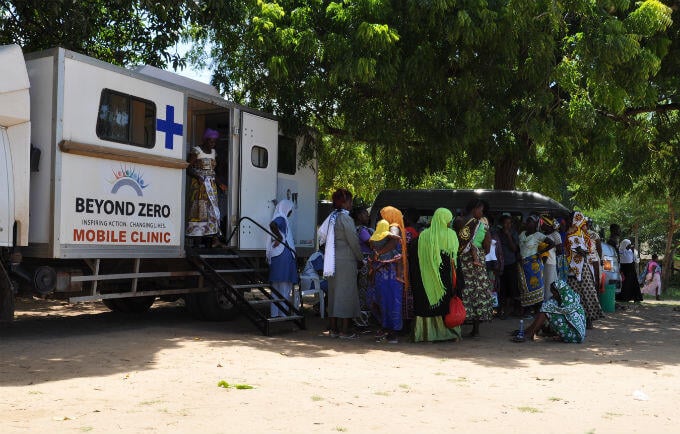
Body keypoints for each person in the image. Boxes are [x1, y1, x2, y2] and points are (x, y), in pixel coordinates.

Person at [410, 208, 462, 342]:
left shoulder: (423, 236)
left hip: (426, 280)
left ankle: (427, 335)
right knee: (444, 304)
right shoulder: (451, 235)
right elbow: (454, 260)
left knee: (427, 304)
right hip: (445, 278)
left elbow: (415, 259)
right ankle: (449, 334)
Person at [318, 189, 364, 339]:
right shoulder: (345, 219)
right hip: (346, 261)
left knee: (333, 294)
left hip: (332, 261)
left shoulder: (332, 217)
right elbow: (353, 241)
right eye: (349, 201)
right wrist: (360, 258)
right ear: (344, 202)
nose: (351, 204)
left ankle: (333, 329)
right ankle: (344, 330)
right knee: (346, 294)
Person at [454, 199, 495, 337]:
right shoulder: (482, 226)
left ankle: (458, 327)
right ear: (475, 208)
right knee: (477, 293)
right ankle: (475, 330)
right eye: (481, 210)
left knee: (462, 290)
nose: (482, 212)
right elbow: (488, 247)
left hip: (462, 260)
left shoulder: (458, 221)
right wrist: (477, 254)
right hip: (477, 263)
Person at [186, 128, 226, 247]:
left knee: (213, 211)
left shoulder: (214, 153)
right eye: (210, 141)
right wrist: (198, 176)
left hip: (211, 187)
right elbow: (188, 168)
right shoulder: (196, 151)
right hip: (199, 187)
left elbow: (214, 172)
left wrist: (220, 184)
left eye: (214, 142)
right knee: (200, 212)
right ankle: (196, 242)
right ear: (205, 140)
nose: (212, 144)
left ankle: (214, 239)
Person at [512, 280, 586, 343]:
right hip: (576, 334)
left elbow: (562, 310)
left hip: (575, 336)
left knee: (546, 310)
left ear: (559, 292)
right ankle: (527, 331)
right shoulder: (571, 296)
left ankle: (529, 333)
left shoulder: (569, 301)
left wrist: (547, 308)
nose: (553, 295)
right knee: (547, 307)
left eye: (554, 293)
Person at [565, 212, 604, 329]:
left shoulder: (580, 233)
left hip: (581, 266)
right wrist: (580, 250)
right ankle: (580, 320)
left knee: (587, 292)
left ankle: (588, 320)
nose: (585, 224)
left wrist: (582, 251)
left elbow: (586, 249)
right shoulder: (571, 233)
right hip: (574, 268)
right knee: (578, 294)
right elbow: (574, 249)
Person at [368, 220, 404, 343]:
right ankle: (389, 331)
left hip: (385, 277)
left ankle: (390, 331)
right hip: (390, 277)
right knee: (389, 303)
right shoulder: (389, 234)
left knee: (387, 302)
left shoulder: (391, 229)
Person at [380, 206, 413, 325]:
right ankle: (397, 326)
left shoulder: (393, 226)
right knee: (398, 298)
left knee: (392, 298)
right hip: (399, 267)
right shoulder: (404, 231)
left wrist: (379, 252)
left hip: (391, 270)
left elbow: (394, 241)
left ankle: (392, 328)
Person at [266, 200, 298, 318]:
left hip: (277, 255)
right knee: (284, 287)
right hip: (283, 255)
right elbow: (273, 224)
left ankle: (275, 314)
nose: (290, 212)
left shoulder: (279, 216)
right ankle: (283, 314)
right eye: (290, 209)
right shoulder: (282, 218)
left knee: (276, 288)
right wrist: (279, 237)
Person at [518, 214, 554, 314]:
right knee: (524, 286)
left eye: (530, 221)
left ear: (535, 224)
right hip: (522, 264)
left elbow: (552, 243)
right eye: (527, 221)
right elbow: (519, 247)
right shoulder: (522, 234)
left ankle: (537, 310)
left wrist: (540, 252)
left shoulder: (539, 235)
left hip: (533, 265)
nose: (528, 223)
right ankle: (527, 309)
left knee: (536, 286)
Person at [498, 213, 520, 318]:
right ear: (502, 223)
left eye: (509, 223)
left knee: (511, 288)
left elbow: (514, 249)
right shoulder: (498, 233)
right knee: (501, 288)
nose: (507, 225)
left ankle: (507, 310)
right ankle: (500, 309)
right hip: (500, 265)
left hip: (511, 263)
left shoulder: (514, 233)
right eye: (505, 223)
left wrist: (508, 236)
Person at [352, 206, 373, 313]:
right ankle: (362, 314)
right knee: (363, 288)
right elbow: (371, 243)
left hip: (357, 261)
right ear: (359, 216)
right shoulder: (362, 230)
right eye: (365, 214)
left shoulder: (354, 228)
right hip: (364, 261)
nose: (367, 216)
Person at [540, 214, 563, 300]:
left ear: (547, 225)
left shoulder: (555, 234)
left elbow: (560, 250)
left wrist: (549, 253)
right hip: (543, 262)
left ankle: (548, 301)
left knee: (549, 283)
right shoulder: (542, 234)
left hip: (550, 262)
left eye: (543, 223)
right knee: (544, 283)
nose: (541, 225)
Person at [616, 239, 643, 303]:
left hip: (631, 269)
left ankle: (636, 298)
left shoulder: (632, 251)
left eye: (630, 245)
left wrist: (634, 251)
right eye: (628, 245)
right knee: (624, 284)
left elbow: (636, 260)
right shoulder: (620, 251)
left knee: (634, 284)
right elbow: (618, 260)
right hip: (623, 269)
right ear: (624, 245)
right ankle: (624, 298)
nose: (629, 246)